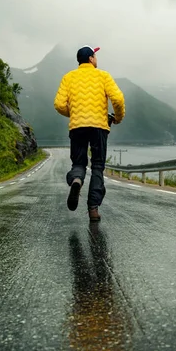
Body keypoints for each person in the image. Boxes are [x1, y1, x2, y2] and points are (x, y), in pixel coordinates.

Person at [54, 45, 125, 221]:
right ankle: (93, 209)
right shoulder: (103, 75)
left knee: (78, 163)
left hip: (77, 127)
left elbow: (59, 104)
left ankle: (77, 179)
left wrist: (74, 113)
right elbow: (117, 98)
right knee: (98, 166)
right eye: (95, 56)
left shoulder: (69, 77)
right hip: (99, 127)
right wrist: (117, 117)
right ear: (91, 59)